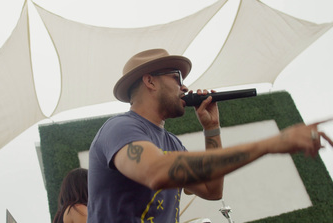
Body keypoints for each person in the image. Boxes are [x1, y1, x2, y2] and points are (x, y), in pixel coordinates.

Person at [87, 48, 333, 222]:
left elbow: (213, 191)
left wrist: (211, 129)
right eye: (177, 77)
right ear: (150, 81)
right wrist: (270, 144)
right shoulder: (120, 128)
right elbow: (155, 171)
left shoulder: (173, 143)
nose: (184, 86)